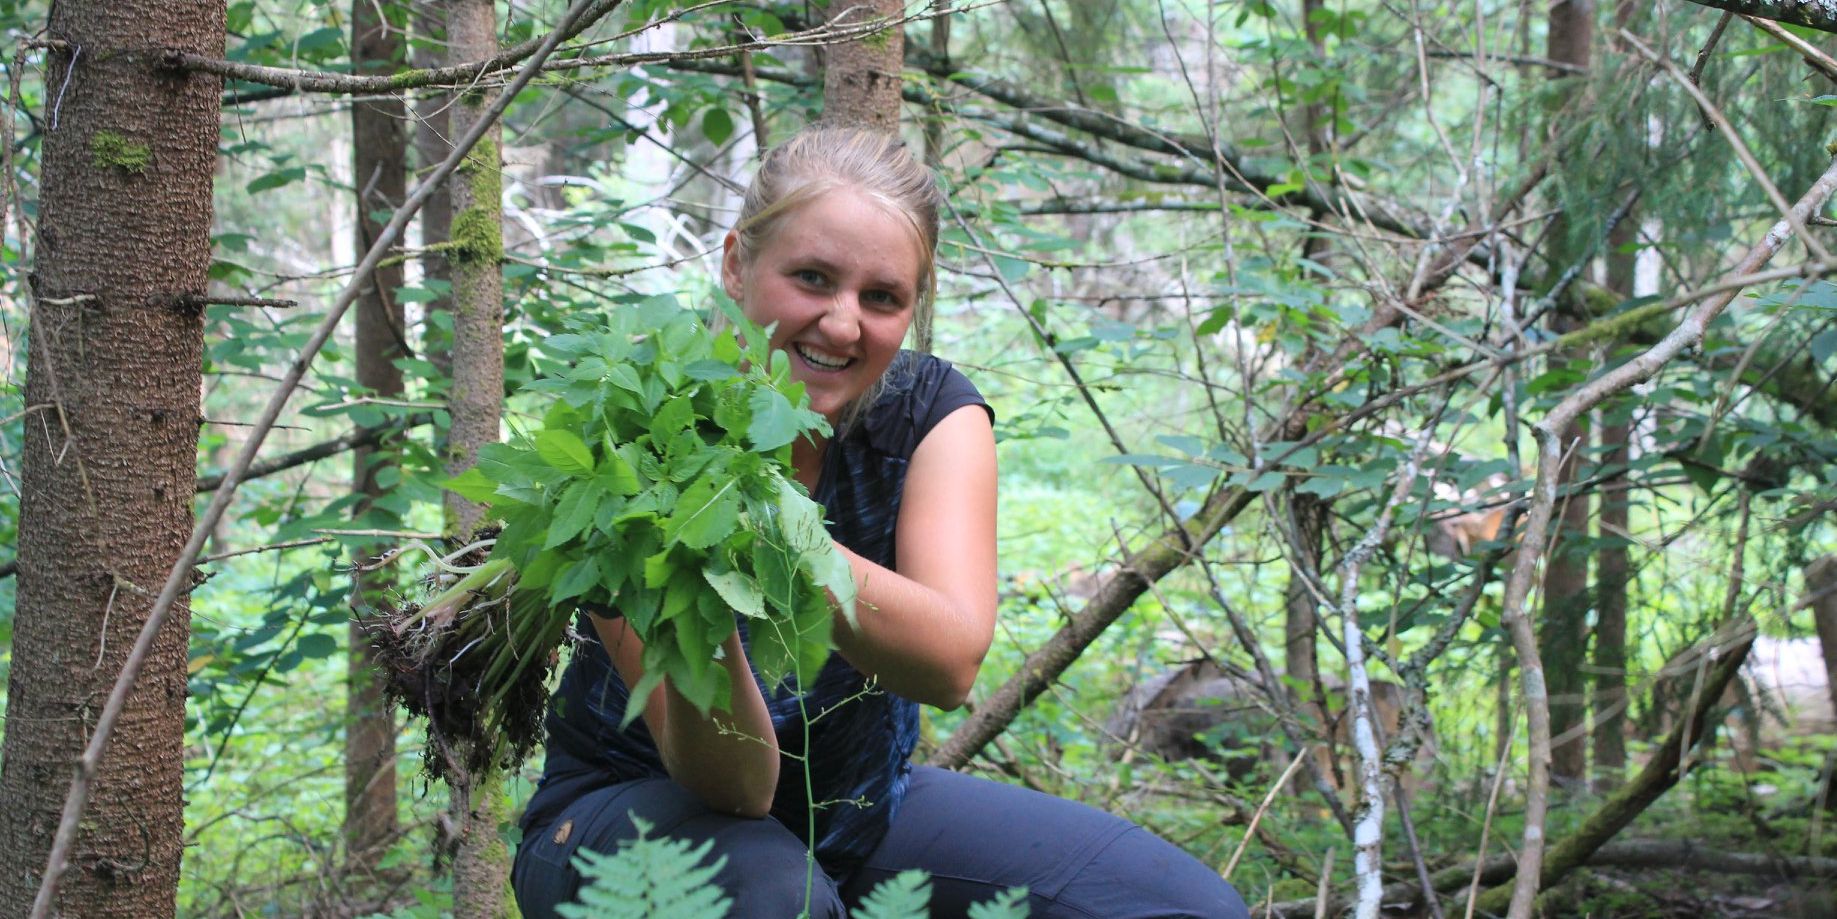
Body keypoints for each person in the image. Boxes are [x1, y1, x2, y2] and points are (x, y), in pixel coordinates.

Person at [511, 126, 1251, 919]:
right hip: (622, 820)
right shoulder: (639, 430)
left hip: (858, 817)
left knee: (1179, 906)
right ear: (735, 263)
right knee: (777, 900)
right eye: (811, 278)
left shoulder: (931, 413)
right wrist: (692, 570)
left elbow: (949, 662)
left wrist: (774, 530)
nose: (840, 324)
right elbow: (738, 784)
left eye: (881, 297)